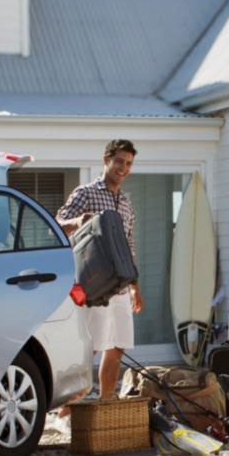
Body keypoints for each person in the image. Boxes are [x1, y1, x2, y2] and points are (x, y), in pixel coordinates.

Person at [56, 139, 143, 408]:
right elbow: (57, 223)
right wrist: (77, 222)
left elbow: (129, 245)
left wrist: (135, 286)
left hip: (120, 286)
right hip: (95, 286)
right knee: (90, 348)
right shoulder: (86, 193)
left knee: (117, 346)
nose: (123, 168)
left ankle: (106, 401)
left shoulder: (127, 204)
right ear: (106, 160)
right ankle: (66, 408)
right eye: (119, 161)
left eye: (128, 163)